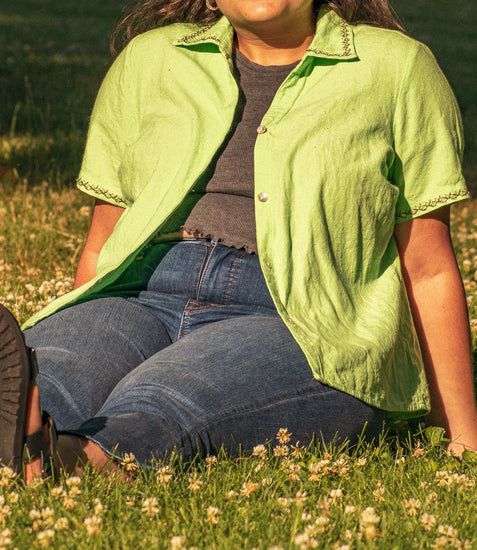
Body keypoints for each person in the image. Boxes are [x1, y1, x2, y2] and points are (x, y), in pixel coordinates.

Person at [1, 0, 476, 482]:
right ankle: (28, 444)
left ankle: (67, 462)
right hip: (140, 294)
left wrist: (461, 438)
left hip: (297, 320)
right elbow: (104, 241)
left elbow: (428, 267)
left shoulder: (397, 68)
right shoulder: (150, 60)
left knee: (166, 399)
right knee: (53, 374)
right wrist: (85, 320)